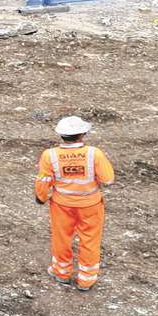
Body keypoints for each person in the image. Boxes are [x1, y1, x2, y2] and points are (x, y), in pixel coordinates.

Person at [34, 115, 114, 291]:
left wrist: (41, 196)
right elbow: (108, 179)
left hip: (62, 205)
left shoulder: (50, 155)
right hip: (90, 205)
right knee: (90, 240)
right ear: (83, 134)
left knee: (61, 238)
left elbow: (44, 179)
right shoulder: (94, 154)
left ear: (61, 135)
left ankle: (61, 273)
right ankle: (86, 280)